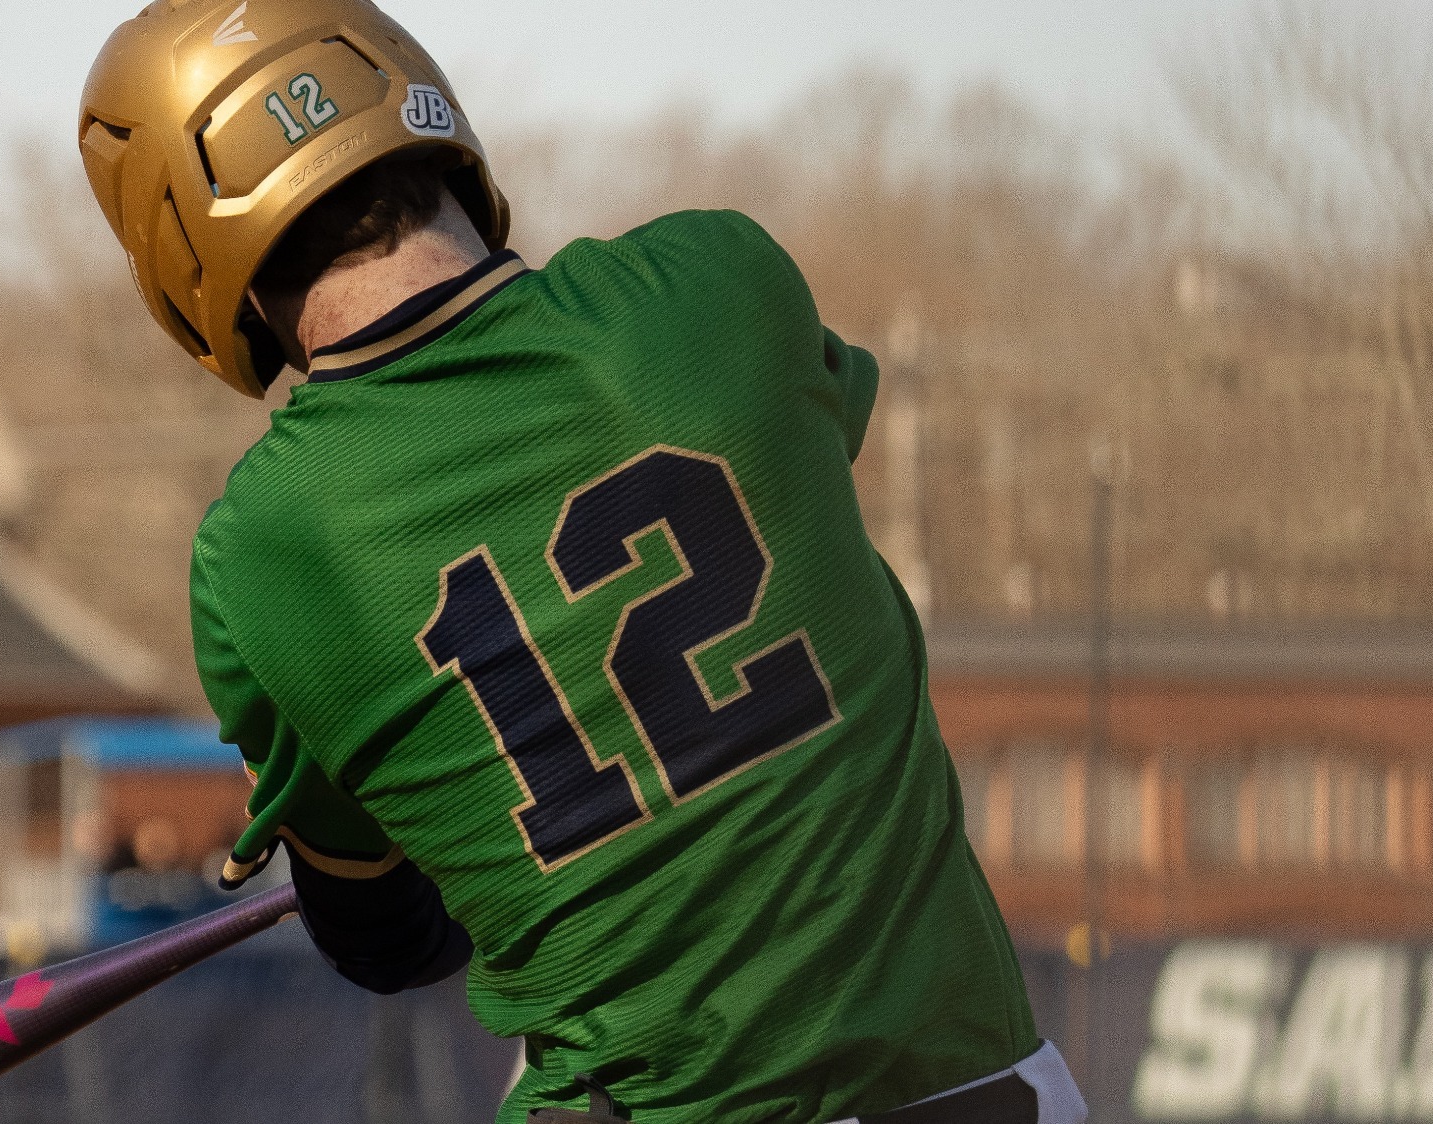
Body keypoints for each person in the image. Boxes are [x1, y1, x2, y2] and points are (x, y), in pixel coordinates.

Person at [78, 2, 1085, 1122]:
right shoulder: (715, 281)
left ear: (179, 245)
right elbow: (790, 488)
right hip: (997, 1095)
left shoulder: (260, 548)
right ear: (412, 102)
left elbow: (390, 937)